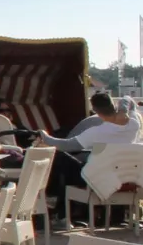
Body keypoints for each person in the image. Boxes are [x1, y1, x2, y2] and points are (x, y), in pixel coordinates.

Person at [37, 91, 141, 221]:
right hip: (123, 176)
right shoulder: (133, 125)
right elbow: (128, 98)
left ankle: (63, 213)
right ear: (113, 105)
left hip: (99, 178)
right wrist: (123, 109)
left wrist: (44, 136)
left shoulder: (95, 132)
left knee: (61, 158)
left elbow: (66, 146)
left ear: (95, 110)